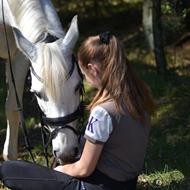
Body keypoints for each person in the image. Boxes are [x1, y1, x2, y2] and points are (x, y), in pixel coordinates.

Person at [0, 31, 155, 190]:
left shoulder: (102, 113)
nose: (85, 78)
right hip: (127, 184)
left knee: (9, 169)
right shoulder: (140, 96)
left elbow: (83, 169)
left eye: (83, 73)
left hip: (96, 186)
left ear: (92, 69)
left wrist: (59, 171)